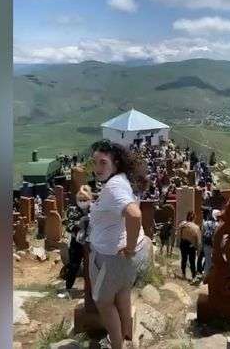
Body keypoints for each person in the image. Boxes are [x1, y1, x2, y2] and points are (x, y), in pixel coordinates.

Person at [87, 139, 151, 349]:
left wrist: (129, 248)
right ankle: (127, 335)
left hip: (113, 257)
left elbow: (134, 214)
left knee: (103, 302)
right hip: (126, 256)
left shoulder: (114, 186)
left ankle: (116, 345)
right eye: (95, 162)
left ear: (115, 163)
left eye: (103, 162)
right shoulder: (122, 180)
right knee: (122, 292)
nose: (97, 168)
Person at [63, 185, 93, 290]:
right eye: (80, 200)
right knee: (74, 266)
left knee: (91, 267)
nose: (82, 202)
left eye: (85, 199)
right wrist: (79, 226)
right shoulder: (72, 210)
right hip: (77, 242)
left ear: (90, 199)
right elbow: (68, 225)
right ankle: (68, 289)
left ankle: (90, 290)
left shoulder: (94, 209)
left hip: (91, 242)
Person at [177, 211, 201, 281]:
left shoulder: (182, 225)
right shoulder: (196, 227)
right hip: (191, 246)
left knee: (184, 259)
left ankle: (183, 274)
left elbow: (178, 235)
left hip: (183, 244)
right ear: (194, 218)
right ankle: (193, 276)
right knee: (192, 261)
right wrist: (198, 250)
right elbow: (198, 241)